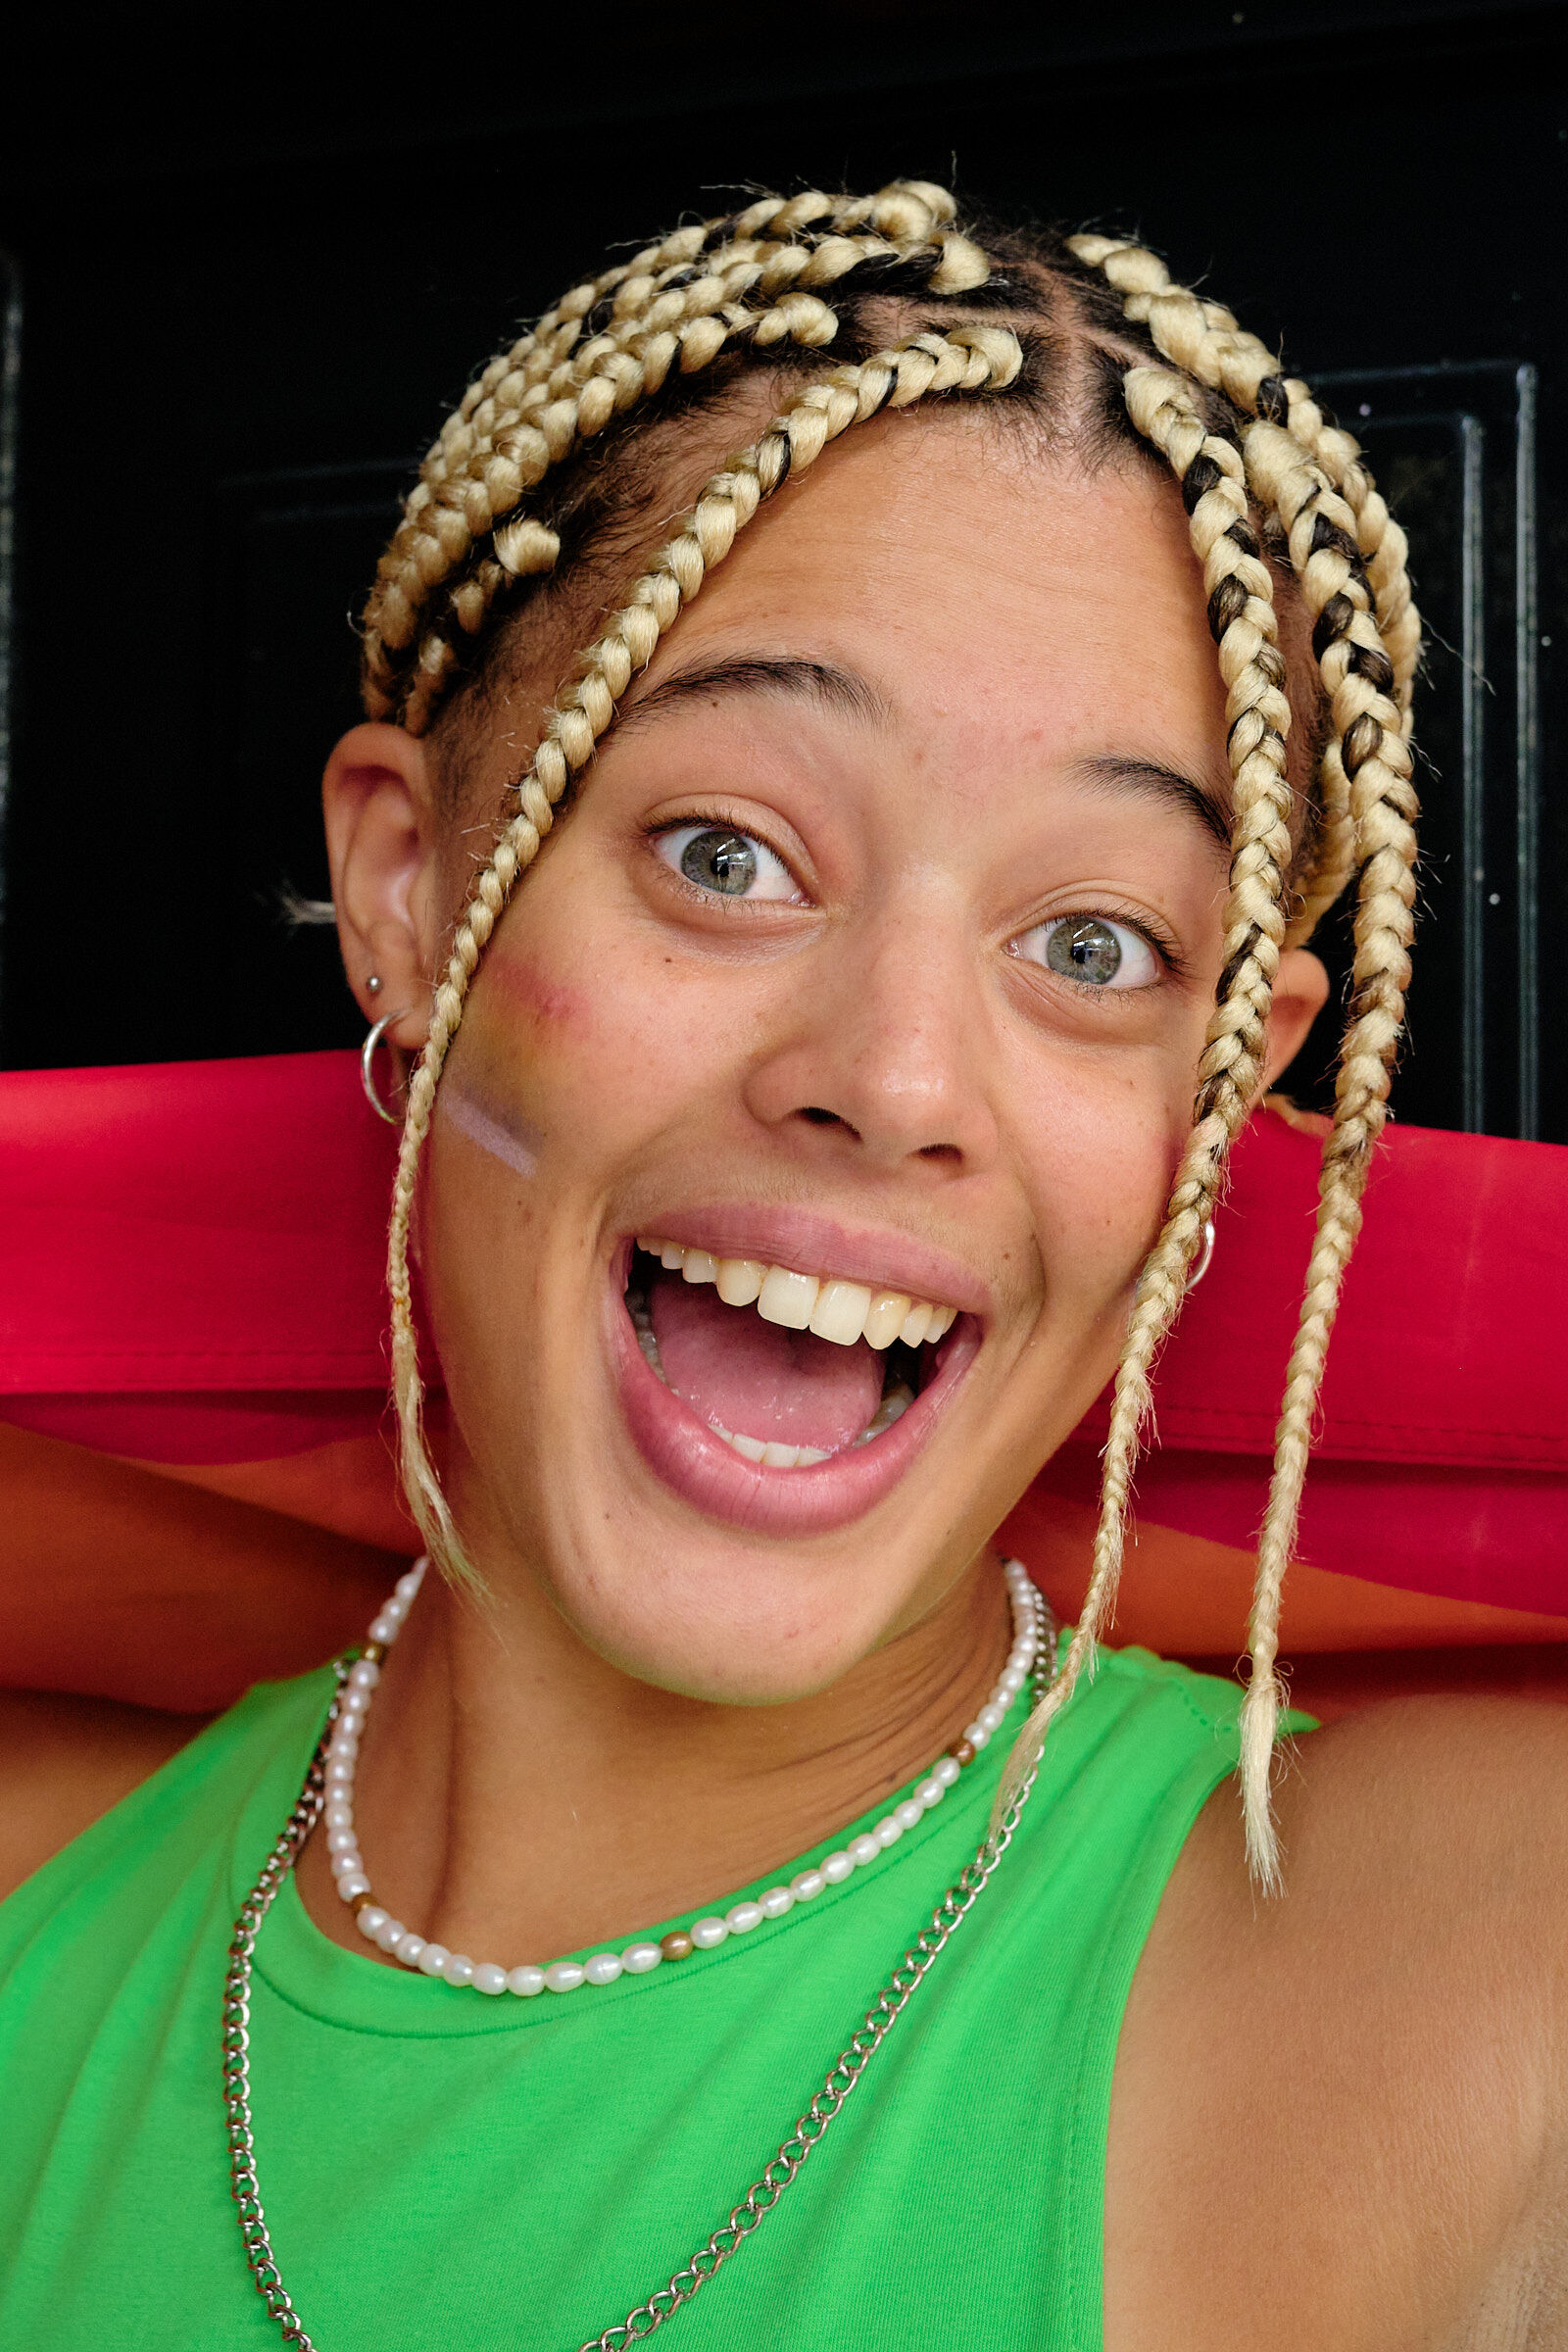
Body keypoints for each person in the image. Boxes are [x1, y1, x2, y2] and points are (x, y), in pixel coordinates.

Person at [2, 180, 1564, 2350]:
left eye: (1093, 946)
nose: (894, 1079)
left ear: (1222, 1096)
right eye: (726, 855)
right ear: (411, 889)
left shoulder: (1493, 1978)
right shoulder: (33, 1899)